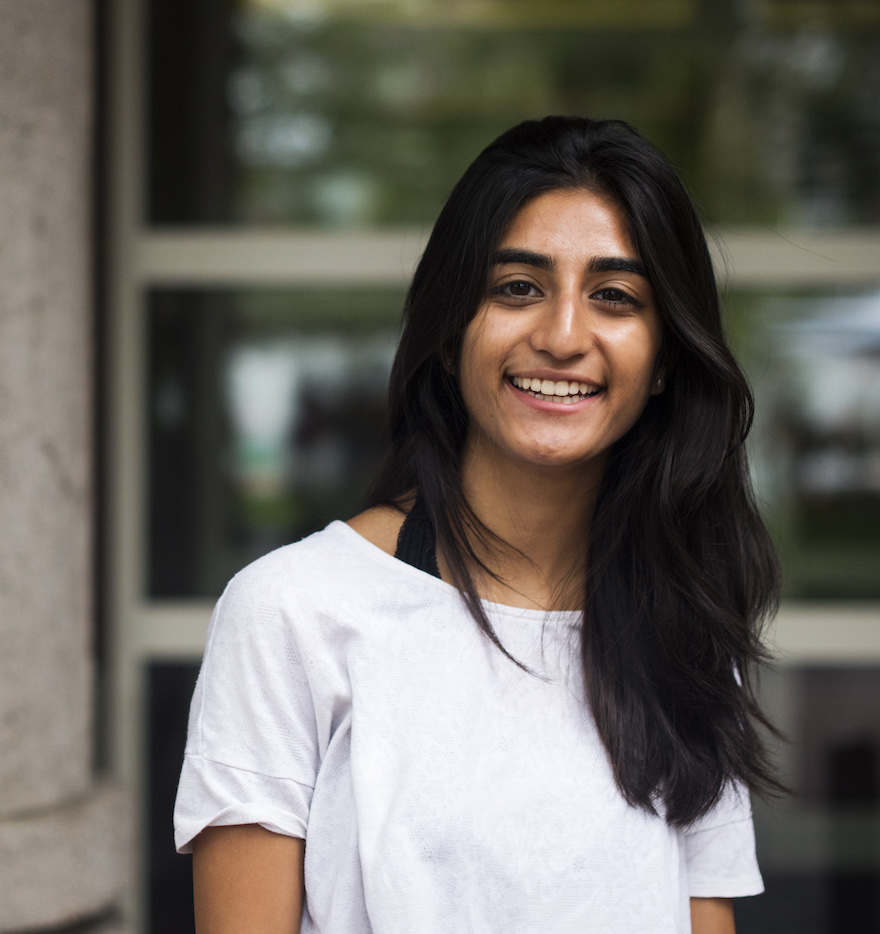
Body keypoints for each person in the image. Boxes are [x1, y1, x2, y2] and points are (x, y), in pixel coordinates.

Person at [172, 117, 781, 934]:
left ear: (667, 356)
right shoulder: (292, 611)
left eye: (615, 297)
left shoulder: (684, 625)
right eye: (517, 288)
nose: (563, 337)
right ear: (451, 330)